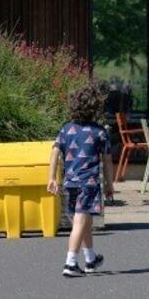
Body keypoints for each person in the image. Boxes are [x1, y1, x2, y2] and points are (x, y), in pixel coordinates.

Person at [47, 84, 115, 278]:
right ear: (95, 108)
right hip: (89, 183)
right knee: (80, 220)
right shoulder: (99, 132)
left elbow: (55, 153)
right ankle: (70, 263)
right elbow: (107, 161)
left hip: (71, 182)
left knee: (84, 219)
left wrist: (52, 178)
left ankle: (90, 258)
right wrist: (110, 183)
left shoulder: (66, 129)